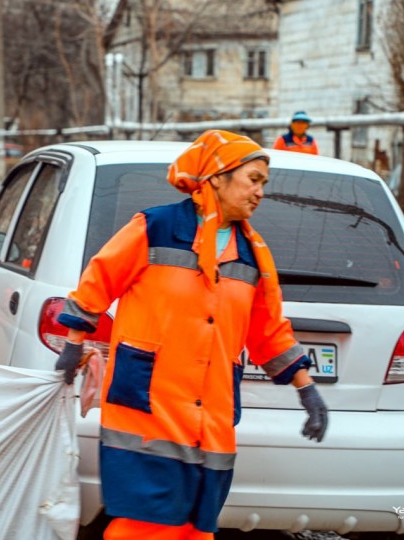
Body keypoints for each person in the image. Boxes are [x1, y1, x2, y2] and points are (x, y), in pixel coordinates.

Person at [54, 130, 329, 540]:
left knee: (196, 527)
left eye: (263, 184)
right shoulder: (155, 228)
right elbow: (98, 281)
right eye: (253, 179)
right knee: (143, 525)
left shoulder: (253, 254)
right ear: (217, 176)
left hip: (211, 415)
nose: (259, 192)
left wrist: (306, 388)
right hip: (148, 411)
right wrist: (73, 344)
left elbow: (268, 330)